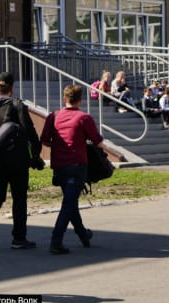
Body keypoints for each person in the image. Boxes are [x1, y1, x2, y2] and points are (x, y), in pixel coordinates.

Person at [0, 71, 42, 249]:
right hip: (16, 159)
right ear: (12, 88)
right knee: (19, 198)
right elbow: (29, 130)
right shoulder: (16, 104)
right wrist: (36, 154)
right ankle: (19, 238)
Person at [40, 84, 104, 255]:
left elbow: (45, 140)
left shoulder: (53, 116)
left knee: (70, 202)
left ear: (64, 98)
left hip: (59, 166)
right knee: (68, 204)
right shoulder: (84, 118)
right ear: (80, 100)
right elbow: (97, 141)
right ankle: (56, 240)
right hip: (77, 165)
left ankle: (83, 234)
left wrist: (59, 144)